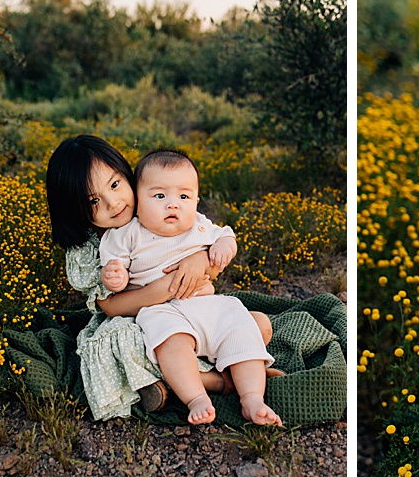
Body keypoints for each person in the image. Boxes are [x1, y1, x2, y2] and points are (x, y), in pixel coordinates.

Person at [45, 135, 272, 421]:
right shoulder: (101, 243)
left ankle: (197, 381)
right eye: (93, 201)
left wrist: (200, 259)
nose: (113, 203)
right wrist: (161, 285)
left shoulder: (161, 205)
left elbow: (213, 256)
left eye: (115, 185)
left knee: (257, 325)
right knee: (134, 345)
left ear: (127, 175)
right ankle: (215, 382)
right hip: (139, 318)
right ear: (72, 208)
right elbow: (111, 306)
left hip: (194, 309)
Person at [97, 149, 282, 427]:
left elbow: (226, 235)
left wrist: (224, 246)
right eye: (160, 196)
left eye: (184, 197)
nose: (173, 204)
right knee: (171, 343)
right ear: (138, 199)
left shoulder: (198, 225)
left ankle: (252, 398)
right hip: (162, 310)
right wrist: (115, 276)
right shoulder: (127, 233)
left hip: (208, 306)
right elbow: (114, 268)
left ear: (196, 200)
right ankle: (197, 398)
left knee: (241, 329)